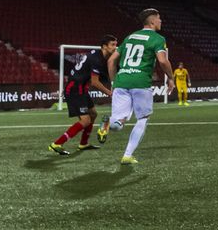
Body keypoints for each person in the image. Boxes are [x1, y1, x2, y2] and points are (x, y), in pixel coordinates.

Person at [107, 9, 175, 165]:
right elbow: (163, 61)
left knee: (118, 124)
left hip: (121, 81)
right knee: (143, 119)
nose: (161, 21)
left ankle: (108, 123)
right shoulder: (158, 39)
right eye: (159, 19)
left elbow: (111, 61)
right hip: (140, 82)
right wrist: (170, 78)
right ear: (152, 22)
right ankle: (127, 155)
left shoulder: (129, 37)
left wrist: (113, 83)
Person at [49, 35, 117, 155]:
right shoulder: (97, 59)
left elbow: (90, 78)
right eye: (112, 45)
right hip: (75, 89)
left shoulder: (97, 54)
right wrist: (110, 93)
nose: (115, 47)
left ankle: (83, 144)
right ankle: (57, 143)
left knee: (93, 114)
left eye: (116, 44)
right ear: (104, 46)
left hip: (80, 88)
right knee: (85, 121)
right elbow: (95, 82)